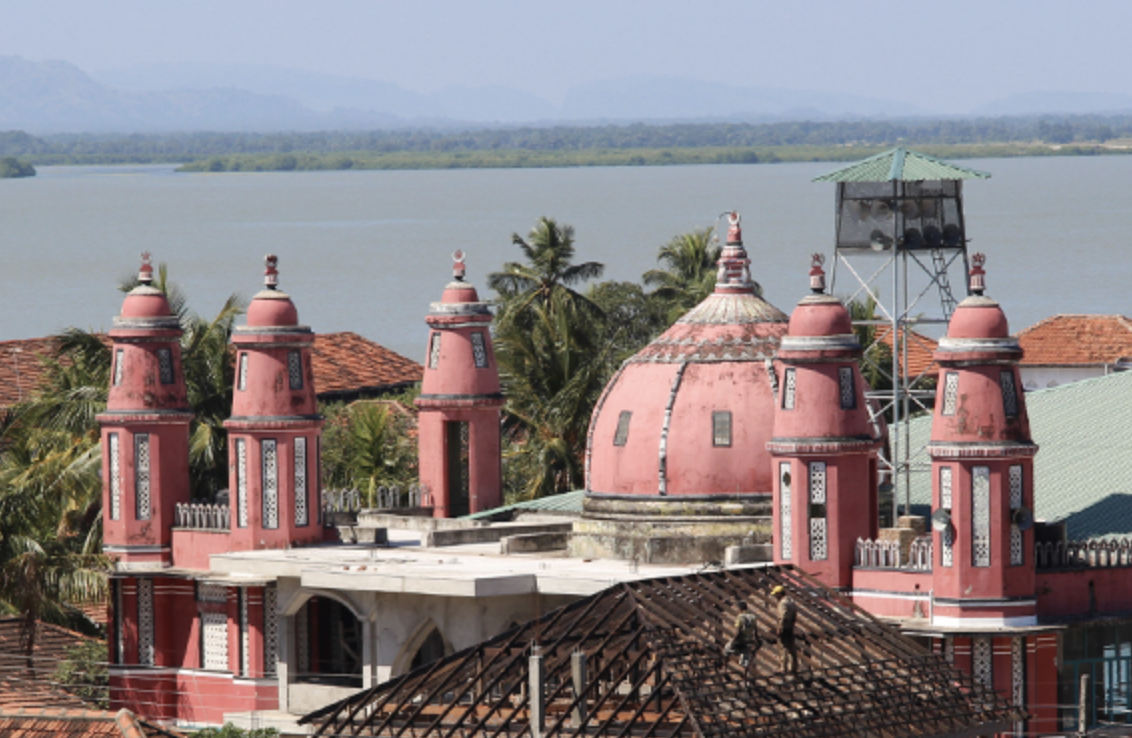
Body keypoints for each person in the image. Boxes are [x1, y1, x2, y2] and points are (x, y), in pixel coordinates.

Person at [723, 599, 761, 677]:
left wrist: (734, 640)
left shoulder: (740, 617)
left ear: (740, 609)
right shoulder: (753, 617)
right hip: (748, 640)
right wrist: (757, 640)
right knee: (746, 659)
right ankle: (745, 677)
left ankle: (725, 670)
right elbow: (755, 630)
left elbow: (738, 631)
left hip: (740, 639)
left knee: (726, 650)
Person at [771, 585, 798, 675]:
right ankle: (794, 667)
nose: (775, 596)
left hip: (784, 627)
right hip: (790, 627)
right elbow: (794, 614)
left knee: (783, 648)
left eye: (776, 594)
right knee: (792, 648)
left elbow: (782, 616)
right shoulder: (791, 601)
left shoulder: (783, 603)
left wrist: (779, 628)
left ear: (779, 594)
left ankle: (783, 668)